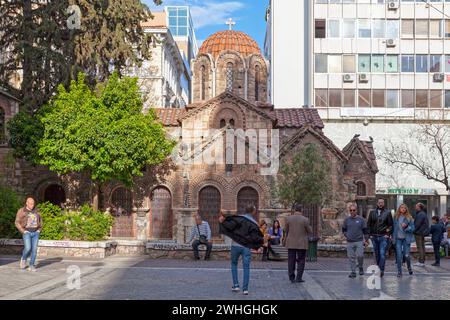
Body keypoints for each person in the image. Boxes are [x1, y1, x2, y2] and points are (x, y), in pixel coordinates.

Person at [219, 206, 262, 295]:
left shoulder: (238, 219)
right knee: (246, 267)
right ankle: (245, 289)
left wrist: (222, 222)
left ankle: (236, 285)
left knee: (234, 264)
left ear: (245, 211)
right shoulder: (254, 223)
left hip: (235, 245)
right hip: (246, 247)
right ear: (253, 212)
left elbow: (229, 226)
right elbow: (255, 237)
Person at [283, 204, 313, 284]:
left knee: (291, 260)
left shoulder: (288, 218)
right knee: (301, 260)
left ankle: (291, 277)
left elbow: (285, 230)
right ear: (301, 210)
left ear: (294, 209)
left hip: (291, 242)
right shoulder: (305, 219)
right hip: (302, 243)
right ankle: (299, 277)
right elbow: (310, 231)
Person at [367, 198, 393, 277]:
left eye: (382, 202)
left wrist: (387, 234)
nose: (380, 204)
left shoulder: (388, 213)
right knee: (377, 254)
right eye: (379, 202)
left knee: (382, 254)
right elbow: (369, 224)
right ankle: (378, 268)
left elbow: (391, 225)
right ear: (377, 203)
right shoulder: (372, 212)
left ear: (384, 203)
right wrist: (369, 235)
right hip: (374, 236)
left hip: (383, 237)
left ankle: (381, 270)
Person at [15, 197, 42, 272]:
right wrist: (23, 231)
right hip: (26, 232)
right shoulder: (21, 211)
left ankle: (31, 265)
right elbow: (17, 222)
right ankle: (23, 259)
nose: (32, 205)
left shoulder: (37, 210)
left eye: (33, 203)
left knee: (34, 249)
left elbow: (40, 221)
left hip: (35, 233)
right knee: (28, 248)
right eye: (30, 203)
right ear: (27, 203)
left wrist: (39, 230)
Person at [342, 204, 369, 278]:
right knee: (351, 257)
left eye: (354, 210)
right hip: (350, 241)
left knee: (360, 256)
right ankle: (353, 271)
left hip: (359, 241)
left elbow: (365, 230)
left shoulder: (361, 220)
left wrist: (366, 240)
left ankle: (360, 267)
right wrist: (346, 235)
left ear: (356, 210)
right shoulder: (346, 220)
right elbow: (343, 229)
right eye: (351, 210)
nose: (352, 211)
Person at [392, 204, 415, 277]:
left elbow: (413, 228)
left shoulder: (409, 217)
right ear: (399, 209)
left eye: (404, 208)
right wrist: (392, 237)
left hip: (406, 239)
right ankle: (399, 272)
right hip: (398, 239)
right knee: (399, 256)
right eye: (401, 207)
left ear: (406, 209)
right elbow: (393, 228)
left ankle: (409, 268)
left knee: (406, 255)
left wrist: (407, 227)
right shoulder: (396, 217)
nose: (403, 209)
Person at [413, 203, 430, 267]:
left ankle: (421, 261)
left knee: (420, 247)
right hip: (421, 232)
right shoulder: (423, 213)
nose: (415, 207)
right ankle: (422, 261)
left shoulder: (420, 214)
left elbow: (417, 224)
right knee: (422, 247)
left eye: (416, 206)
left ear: (419, 207)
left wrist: (413, 230)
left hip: (419, 233)